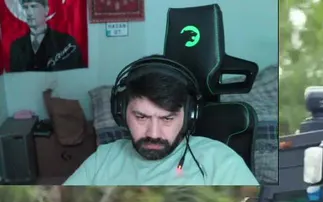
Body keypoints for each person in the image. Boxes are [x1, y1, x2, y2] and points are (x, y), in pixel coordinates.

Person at [65, 55, 258, 186]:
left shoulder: (222, 163)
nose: (154, 133)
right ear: (121, 112)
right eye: (141, 117)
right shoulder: (103, 159)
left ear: (189, 115)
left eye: (167, 118)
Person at [8, 0, 85, 73]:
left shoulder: (66, 42)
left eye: (34, 6)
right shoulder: (16, 47)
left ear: (46, 10)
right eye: (25, 7)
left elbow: (76, 74)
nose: (29, 13)